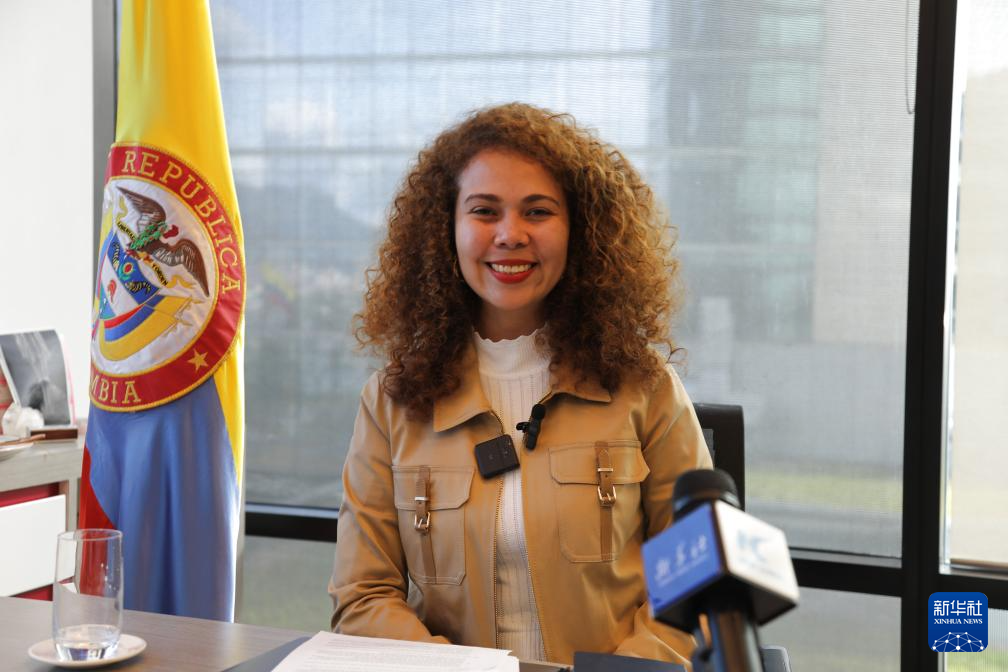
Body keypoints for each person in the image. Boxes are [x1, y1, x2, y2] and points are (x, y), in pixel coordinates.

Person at [329, 102, 712, 666]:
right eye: (484, 211)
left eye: (538, 211)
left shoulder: (646, 388)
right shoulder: (392, 401)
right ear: (446, 230)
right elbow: (362, 597)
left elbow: (698, 579)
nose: (510, 235)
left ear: (580, 230)